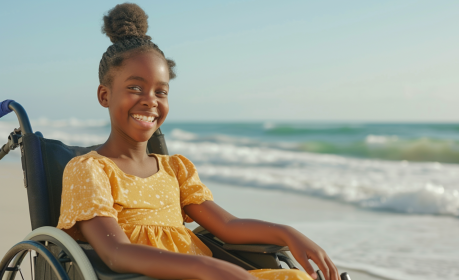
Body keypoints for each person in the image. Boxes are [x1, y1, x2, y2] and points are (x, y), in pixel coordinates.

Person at [57, 3, 339, 280]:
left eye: (161, 91)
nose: (150, 101)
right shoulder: (90, 170)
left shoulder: (176, 170)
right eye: (135, 88)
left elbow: (228, 226)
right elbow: (116, 253)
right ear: (105, 95)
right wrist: (204, 267)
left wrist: (287, 233)